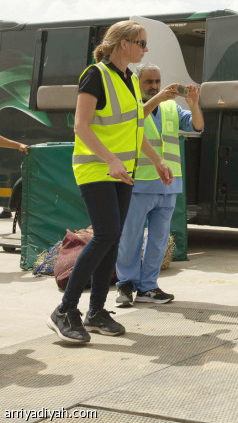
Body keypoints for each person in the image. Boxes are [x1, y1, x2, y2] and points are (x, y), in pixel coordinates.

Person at [47, 21, 172, 344]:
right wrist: (111, 160)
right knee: (105, 235)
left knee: (113, 239)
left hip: (122, 172)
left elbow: (134, 128)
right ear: (122, 44)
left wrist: (156, 160)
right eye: (141, 43)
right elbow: (81, 127)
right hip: (96, 169)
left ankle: (96, 311)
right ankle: (65, 310)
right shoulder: (95, 75)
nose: (145, 49)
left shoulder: (130, 79)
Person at [115, 63, 203, 307]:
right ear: (138, 83)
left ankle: (148, 288)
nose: (154, 86)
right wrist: (158, 98)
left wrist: (194, 103)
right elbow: (133, 122)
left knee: (158, 240)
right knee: (130, 237)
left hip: (169, 185)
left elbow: (197, 127)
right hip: (139, 183)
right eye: (148, 82)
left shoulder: (172, 108)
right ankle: (125, 285)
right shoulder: (132, 106)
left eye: (157, 81)